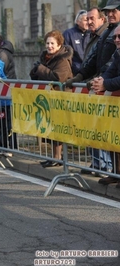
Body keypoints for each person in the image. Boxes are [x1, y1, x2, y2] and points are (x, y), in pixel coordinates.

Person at [66, 1, 120, 175]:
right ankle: (114, 172)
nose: (111, 14)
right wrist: (81, 76)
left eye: (114, 11)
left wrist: (103, 81)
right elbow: (95, 59)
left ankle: (111, 169)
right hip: (108, 88)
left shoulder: (112, 32)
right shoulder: (106, 33)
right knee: (108, 132)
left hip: (112, 89)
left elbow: (111, 63)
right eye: (108, 12)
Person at [30, 30, 73, 167]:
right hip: (49, 98)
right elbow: (37, 75)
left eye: (52, 43)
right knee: (50, 129)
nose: (49, 46)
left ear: (59, 44)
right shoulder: (46, 58)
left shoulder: (62, 60)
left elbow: (58, 77)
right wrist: (36, 70)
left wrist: (40, 69)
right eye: (47, 43)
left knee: (58, 129)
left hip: (60, 98)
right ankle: (55, 157)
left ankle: (58, 157)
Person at [90, 24, 120, 187]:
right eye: (115, 37)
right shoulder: (118, 54)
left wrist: (106, 84)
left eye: (119, 37)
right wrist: (101, 80)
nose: (116, 40)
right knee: (114, 138)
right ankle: (116, 173)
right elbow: (111, 71)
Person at [63, 9, 89, 75]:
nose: (88, 22)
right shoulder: (68, 34)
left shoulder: (91, 34)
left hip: (89, 69)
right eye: (86, 20)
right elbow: (66, 56)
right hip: (75, 71)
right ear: (78, 21)